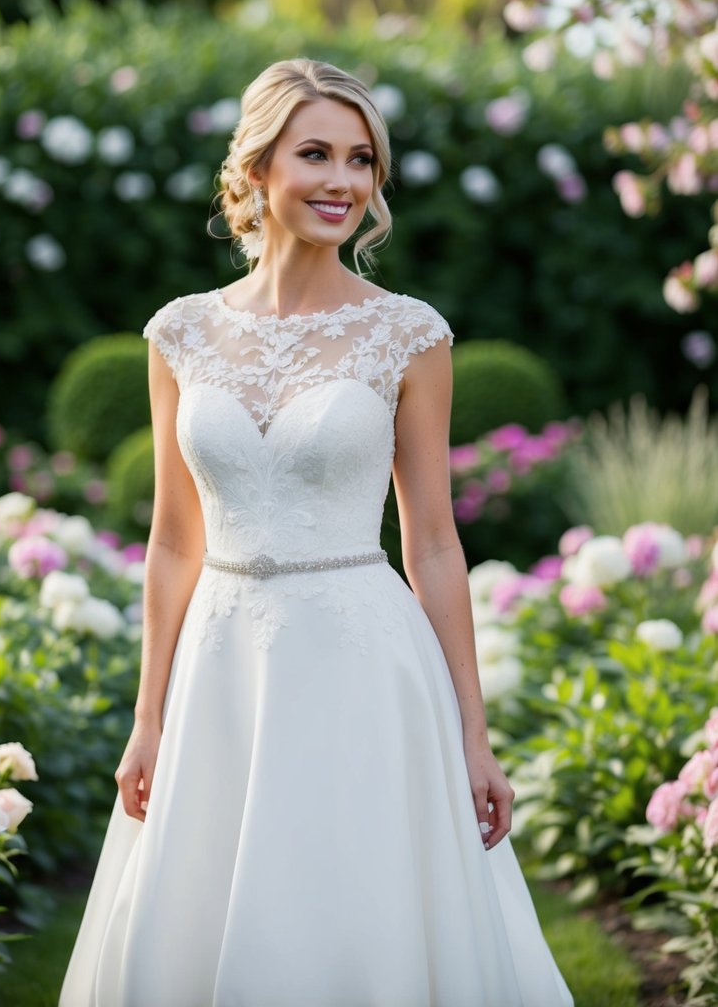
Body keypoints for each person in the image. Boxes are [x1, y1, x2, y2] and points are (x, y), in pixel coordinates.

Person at [59, 58, 573, 1007]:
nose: (343, 180)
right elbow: (173, 541)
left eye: (361, 159)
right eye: (315, 154)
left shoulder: (407, 336)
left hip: (363, 662)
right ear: (256, 168)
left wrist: (472, 733)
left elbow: (431, 544)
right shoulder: (178, 333)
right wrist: (147, 717)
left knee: (357, 901)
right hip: (220, 667)